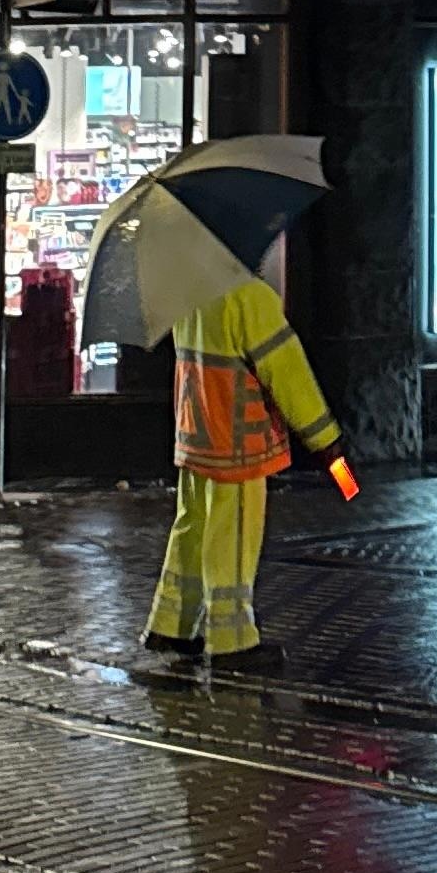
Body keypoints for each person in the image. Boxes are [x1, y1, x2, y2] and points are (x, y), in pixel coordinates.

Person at [139, 259, 345, 680]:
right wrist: (325, 440)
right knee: (231, 536)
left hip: (194, 431)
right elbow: (288, 374)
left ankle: (170, 624)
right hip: (237, 439)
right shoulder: (249, 297)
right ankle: (233, 642)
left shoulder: (188, 292)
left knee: (192, 526)